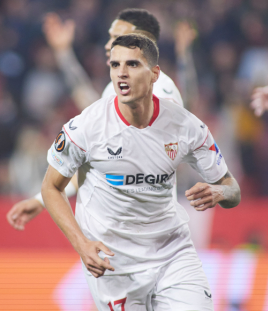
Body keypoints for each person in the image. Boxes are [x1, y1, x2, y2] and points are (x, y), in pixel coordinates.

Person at [42, 34, 241, 310]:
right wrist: (82, 244)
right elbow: (51, 187)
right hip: (115, 264)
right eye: (115, 65)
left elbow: (233, 190)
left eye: (133, 64)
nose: (121, 73)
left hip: (173, 255)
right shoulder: (86, 127)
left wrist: (219, 191)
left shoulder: (186, 127)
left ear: (154, 74)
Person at [8, 9, 192, 231]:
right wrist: (41, 200)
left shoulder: (161, 89)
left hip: (149, 238)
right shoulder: (115, 90)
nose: (107, 45)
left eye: (115, 38)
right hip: (119, 237)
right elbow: (97, 161)